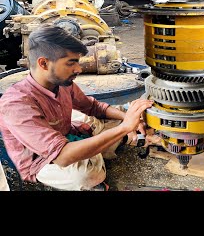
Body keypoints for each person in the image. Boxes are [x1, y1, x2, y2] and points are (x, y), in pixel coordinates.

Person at [0, 24, 153, 190]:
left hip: (65, 135)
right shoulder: (16, 104)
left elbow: (94, 107)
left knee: (111, 116)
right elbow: (63, 157)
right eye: (71, 63)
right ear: (43, 63)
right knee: (84, 176)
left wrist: (127, 117)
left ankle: (103, 147)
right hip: (40, 161)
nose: (79, 69)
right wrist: (125, 127)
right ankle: (104, 153)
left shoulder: (62, 83)